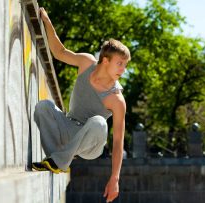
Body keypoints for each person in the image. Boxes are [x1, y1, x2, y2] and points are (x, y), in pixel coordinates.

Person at [32, 7, 130, 202]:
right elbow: (60, 52)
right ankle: (56, 159)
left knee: (99, 122)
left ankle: (60, 160)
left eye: (125, 65)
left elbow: (118, 142)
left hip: (92, 144)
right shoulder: (86, 63)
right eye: (120, 63)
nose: (123, 69)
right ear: (105, 60)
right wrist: (47, 22)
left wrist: (114, 179)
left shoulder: (117, 100)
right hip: (69, 129)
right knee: (43, 107)